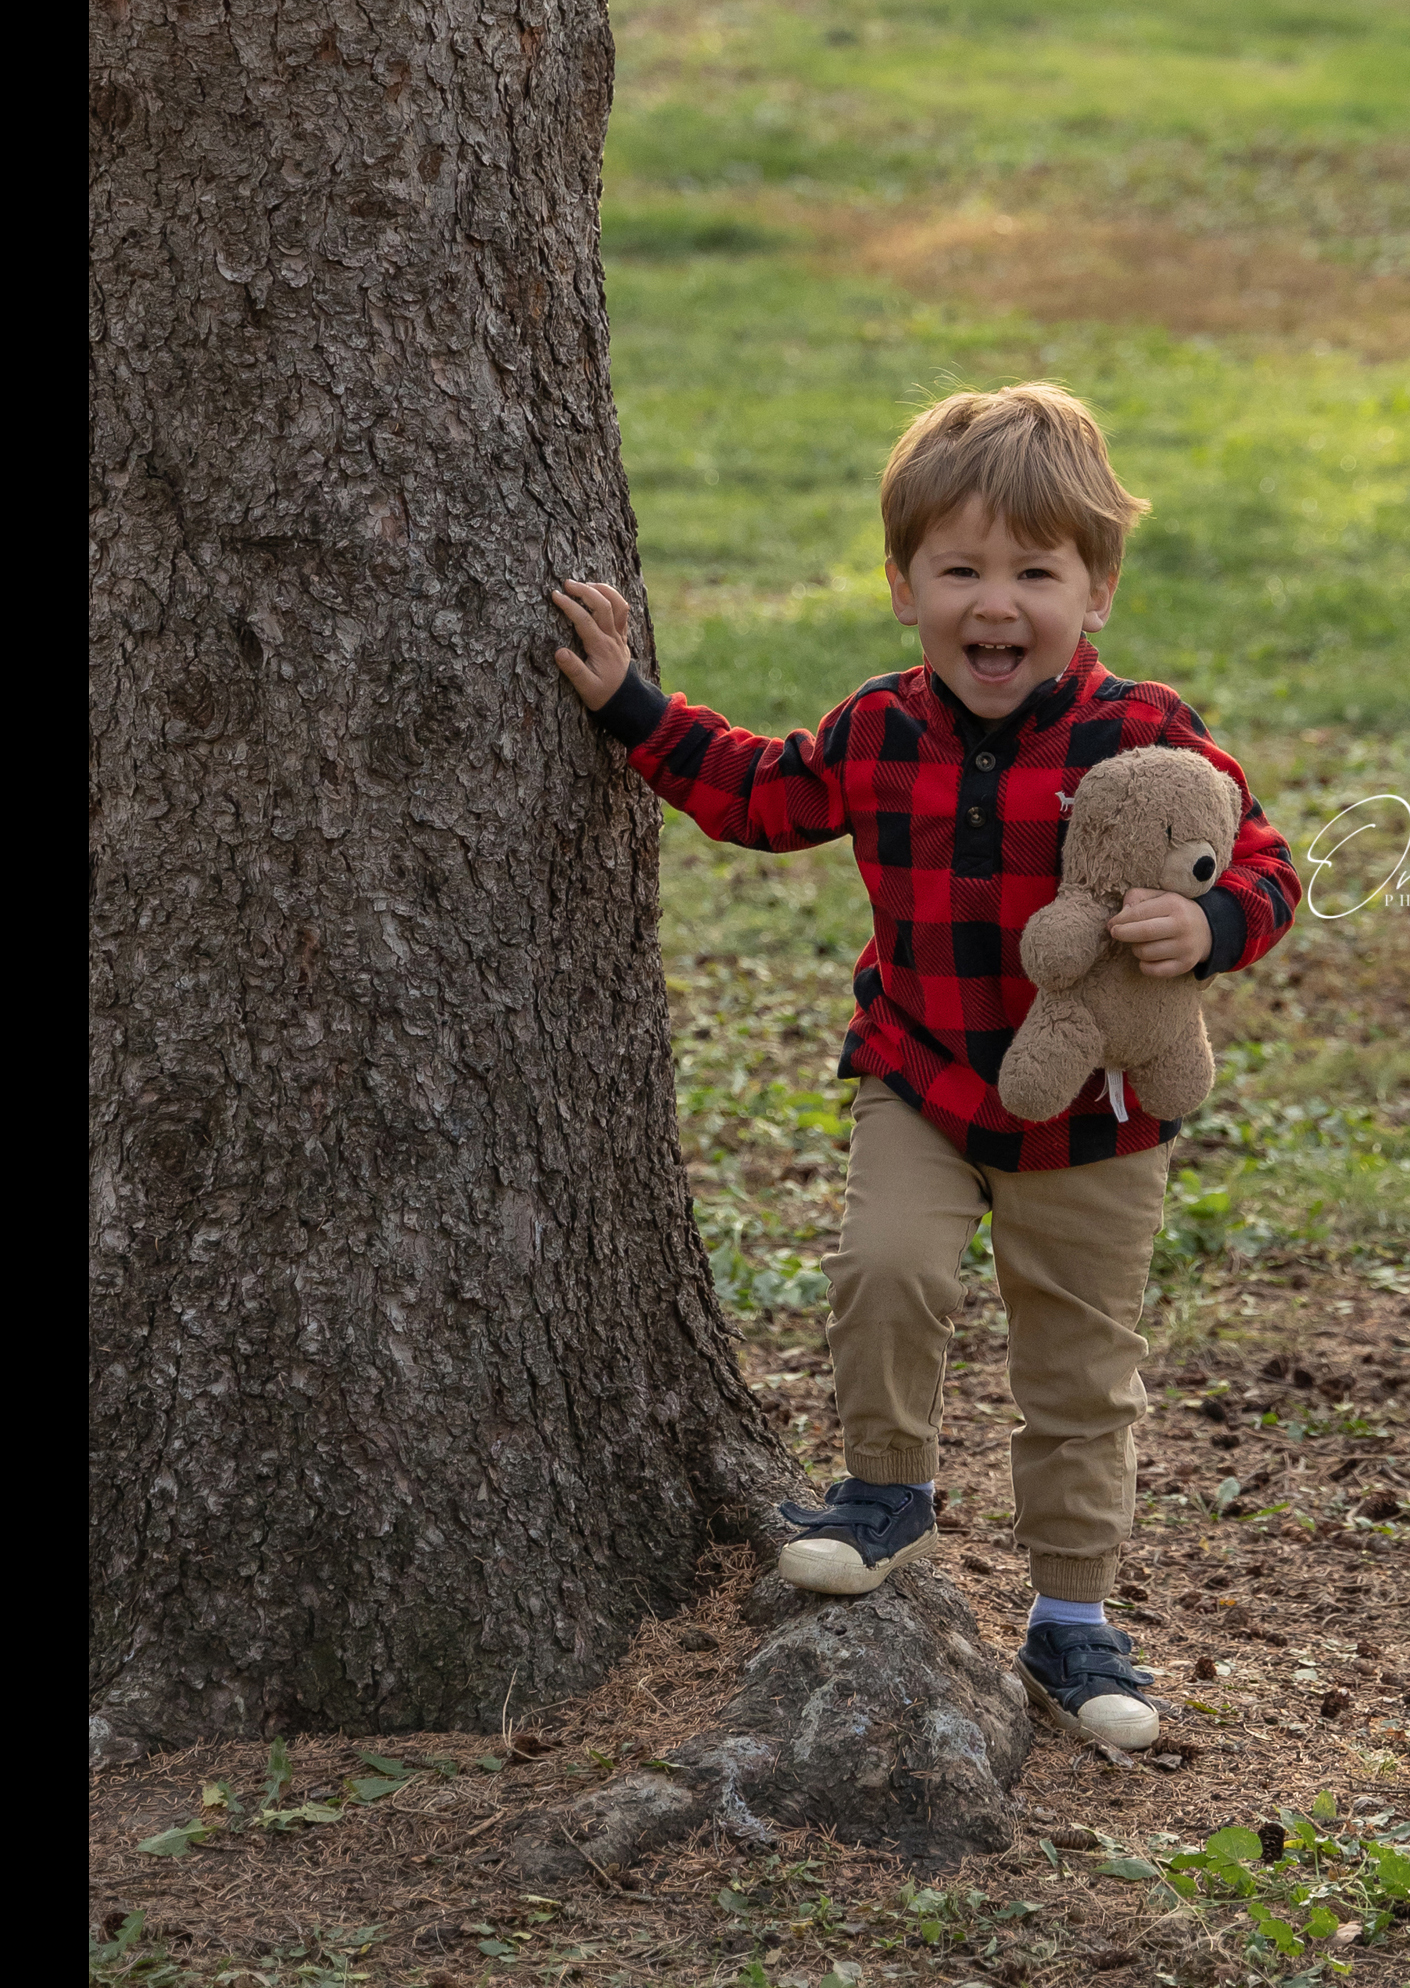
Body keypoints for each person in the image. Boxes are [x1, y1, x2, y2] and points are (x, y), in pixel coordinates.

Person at [549, 383, 1299, 1750]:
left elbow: (1260, 857)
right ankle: (884, 1489)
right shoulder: (882, 729)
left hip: (1100, 1116)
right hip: (925, 1076)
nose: (993, 604)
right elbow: (761, 792)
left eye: (1034, 572)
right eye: (960, 570)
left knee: (1080, 1374)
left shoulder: (1146, 737)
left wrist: (1208, 923)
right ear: (905, 587)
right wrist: (629, 708)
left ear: (1097, 591)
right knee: (887, 1266)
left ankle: (1073, 1620)